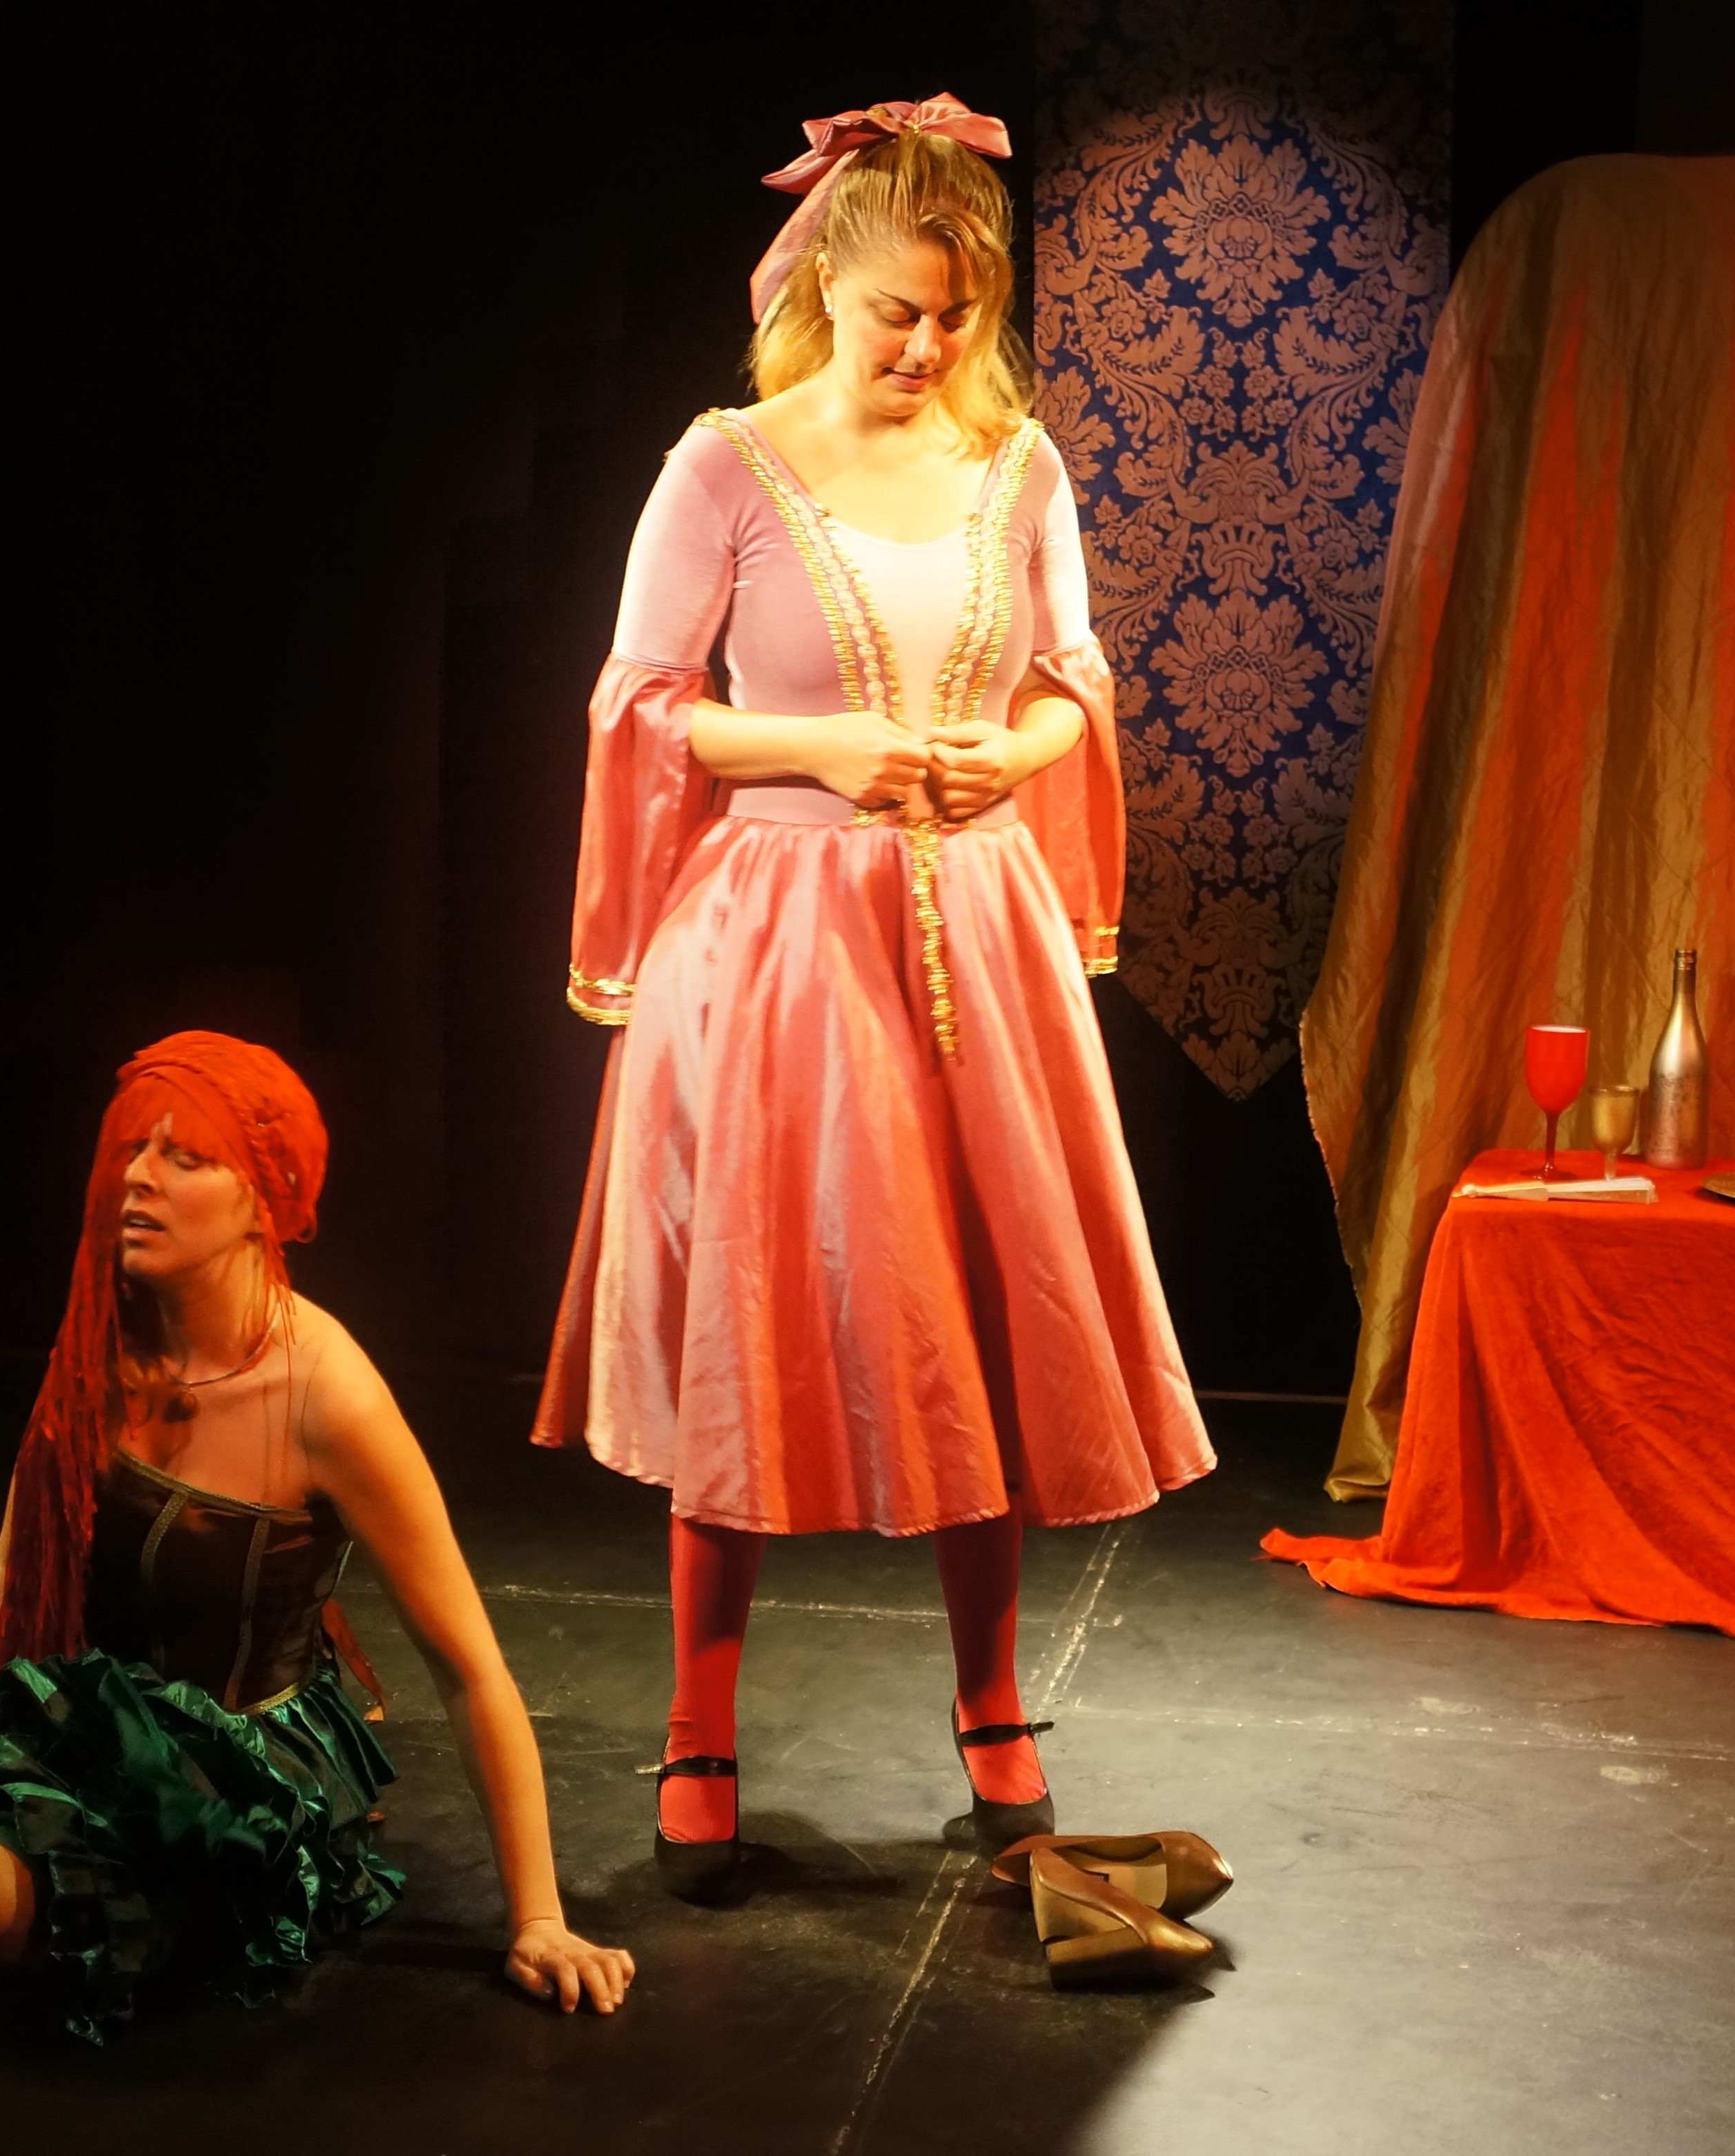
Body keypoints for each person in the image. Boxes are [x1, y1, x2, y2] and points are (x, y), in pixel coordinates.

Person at [533, 95, 1214, 1899]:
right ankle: (699, 1722)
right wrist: (821, 745)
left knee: (979, 1308)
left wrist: (1017, 753)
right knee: (751, 1322)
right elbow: (644, 702)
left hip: (973, 923)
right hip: (776, 934)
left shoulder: (1020, 467)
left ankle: (991, 1705)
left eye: (956, 315)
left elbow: (1071, 679)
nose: (924, 345)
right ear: (824, 282)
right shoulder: (725, 465)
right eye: (897, 310)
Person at [0, 1032, 634, 2036]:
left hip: (207, 1761)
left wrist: (538, 1917)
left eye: (186, 1159)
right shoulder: (104, 1332)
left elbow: (470, 1670)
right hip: (49, 1692)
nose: (139, 1178)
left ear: (266, 1202)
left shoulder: (328, 1395)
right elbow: (13, 1568)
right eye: (134, 1149)